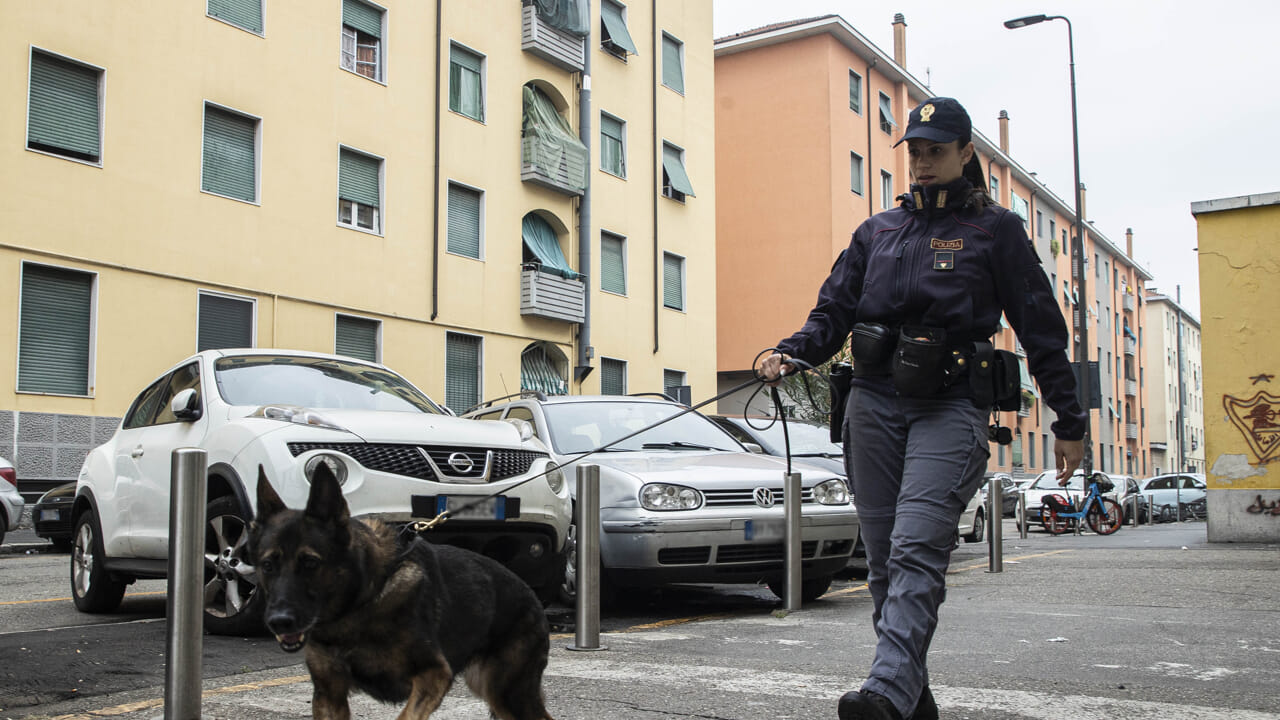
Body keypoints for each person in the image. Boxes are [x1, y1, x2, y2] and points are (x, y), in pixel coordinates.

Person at [759, 97, 1086, 720]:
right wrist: (792, 352)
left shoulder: (997, 230)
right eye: (914, 150)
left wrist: (1069, 421)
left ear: (966, 153)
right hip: (873, 405)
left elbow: (1042, 328)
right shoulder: (877, 231)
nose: (922, 161)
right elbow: (834, 312)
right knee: (884, 562)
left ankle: (884, 692)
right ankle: (912, 701)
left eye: (935, 149)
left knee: (913, 549)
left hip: (950, 406)